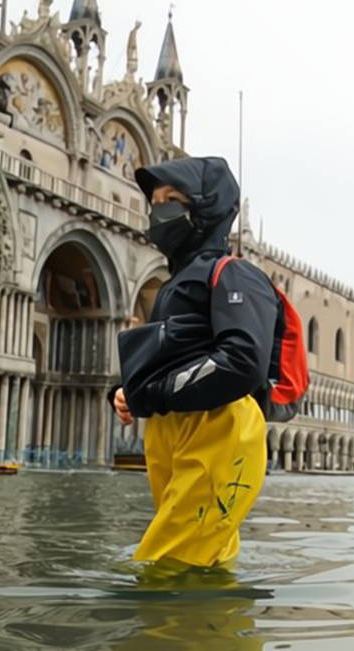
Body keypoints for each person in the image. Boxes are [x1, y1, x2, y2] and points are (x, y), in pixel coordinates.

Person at [111, 156, 278, 570]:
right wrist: (127, 391)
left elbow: (242, 360)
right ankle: (212, 632)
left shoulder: (235, 275)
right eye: (155, 201)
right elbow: (172, 353)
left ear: (206, 207)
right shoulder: (174, 285)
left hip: (217, 428)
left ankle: (180, 633)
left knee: (170, 565)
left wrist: (154, 394)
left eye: (172, 199)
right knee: (203, 559)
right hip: (175, 429)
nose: (158, 210)